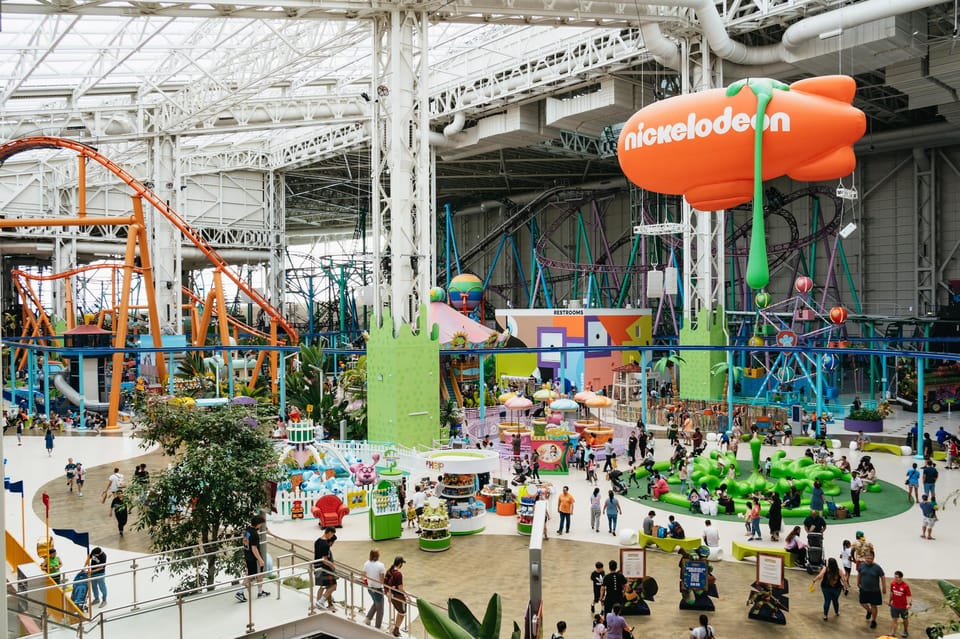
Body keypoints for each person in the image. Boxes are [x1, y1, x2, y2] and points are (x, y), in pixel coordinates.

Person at [236, 515, 269, 603]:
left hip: (247, 553)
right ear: (258, 524)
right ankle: (240, 592)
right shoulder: (254, 534)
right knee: (251, 575)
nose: (261, 526)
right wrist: (260, 560)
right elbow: (254, 548)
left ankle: (260, 591)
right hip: (254, 556)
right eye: (261, 524)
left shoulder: (247, 530)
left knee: (252, 573)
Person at [858, 553, 886, 630]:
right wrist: (858, 582)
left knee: (874, 605)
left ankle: (873, 621)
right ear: (865, 558)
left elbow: (882, 576)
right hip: (864, 589)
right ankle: (869, 611)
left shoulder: (877, 567)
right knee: (862, 603)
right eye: (867, 558)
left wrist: (884, 587)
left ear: (873, 559)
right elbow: (859, 574)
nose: (869, 560)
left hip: (874, 591)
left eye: (871, 558)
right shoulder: (862, 565)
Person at [313, 526, 337, 609]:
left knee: (324, 586)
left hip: (317, 566)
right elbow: (324, 559)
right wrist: (332, 566)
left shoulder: (317, 541)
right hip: (324, 568)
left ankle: (319, 603)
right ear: (329, 532)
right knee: (333, 586)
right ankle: (321, 601)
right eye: (332, 534)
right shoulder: (325, 544)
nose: (332, 536)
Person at [384, 556, 408, 638]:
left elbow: (385, 583)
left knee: (399, 611)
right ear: (400, 564)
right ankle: (396, 630)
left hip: (390, 595)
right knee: (402, 613)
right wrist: (407, 596)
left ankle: (395, 627)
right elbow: (400, 588)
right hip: (398, 596)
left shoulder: (388, 571)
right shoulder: (398, 574)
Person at [363, 548, 386, 629]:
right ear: (378, 555)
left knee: (376, 604)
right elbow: (382, 580)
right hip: (378, 589)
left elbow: (364, 575)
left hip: (370, 587)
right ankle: (378, 626)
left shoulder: (366, 563)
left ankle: (368, 618)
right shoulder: (381, 565)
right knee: (380, 609)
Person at [888, 570, 912, 638]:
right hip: (894, 606)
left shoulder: (905, 586)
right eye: (894, 577)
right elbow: (891, 593)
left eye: (896, 577)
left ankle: (905, 631)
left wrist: (909, 604)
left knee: (905, 619)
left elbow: (909, 596)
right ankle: (893, 632)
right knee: (894, 619)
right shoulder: (893, 584)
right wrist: (890, 601)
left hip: (903, 607)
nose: (895, 578)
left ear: (901, 578)